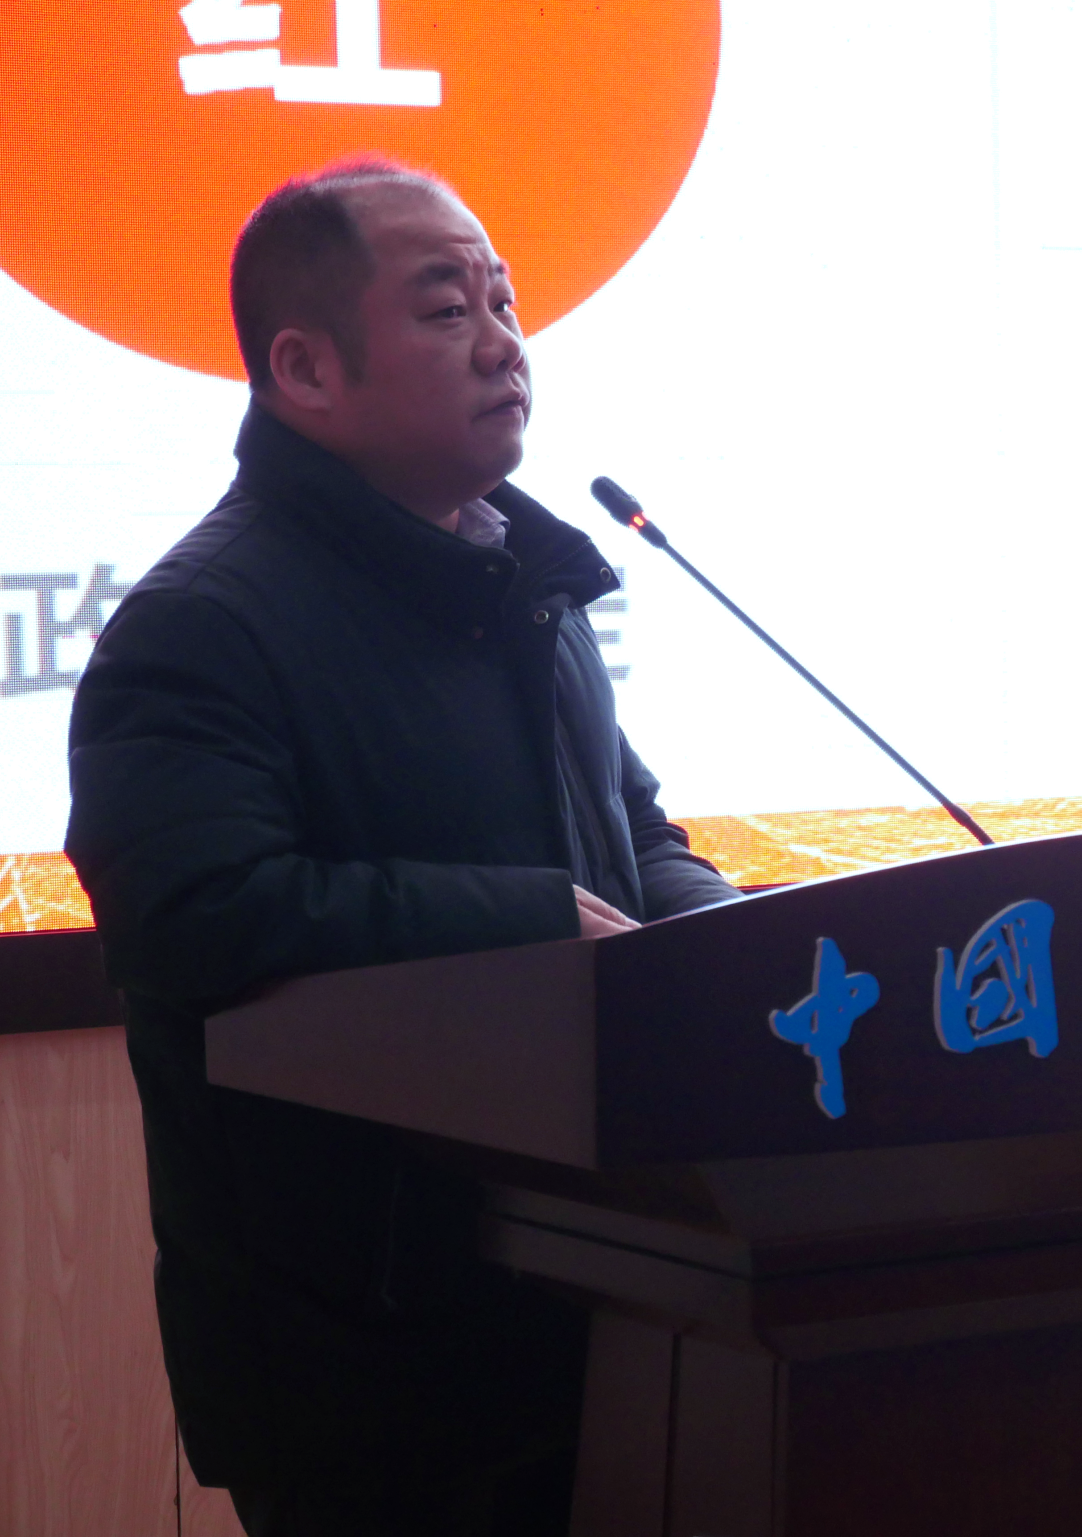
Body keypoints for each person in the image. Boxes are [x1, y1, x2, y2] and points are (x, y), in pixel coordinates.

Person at [64, 157, 738, 1535]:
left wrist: (737, 948)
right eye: (446, 309)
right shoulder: (204, 625)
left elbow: (630, 833)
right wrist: (531, 921)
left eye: (506, 301)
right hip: (368, 1359)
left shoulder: (523, 583)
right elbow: (197, 915)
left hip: (605, 1295)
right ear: (305, 369)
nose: (504, 345)